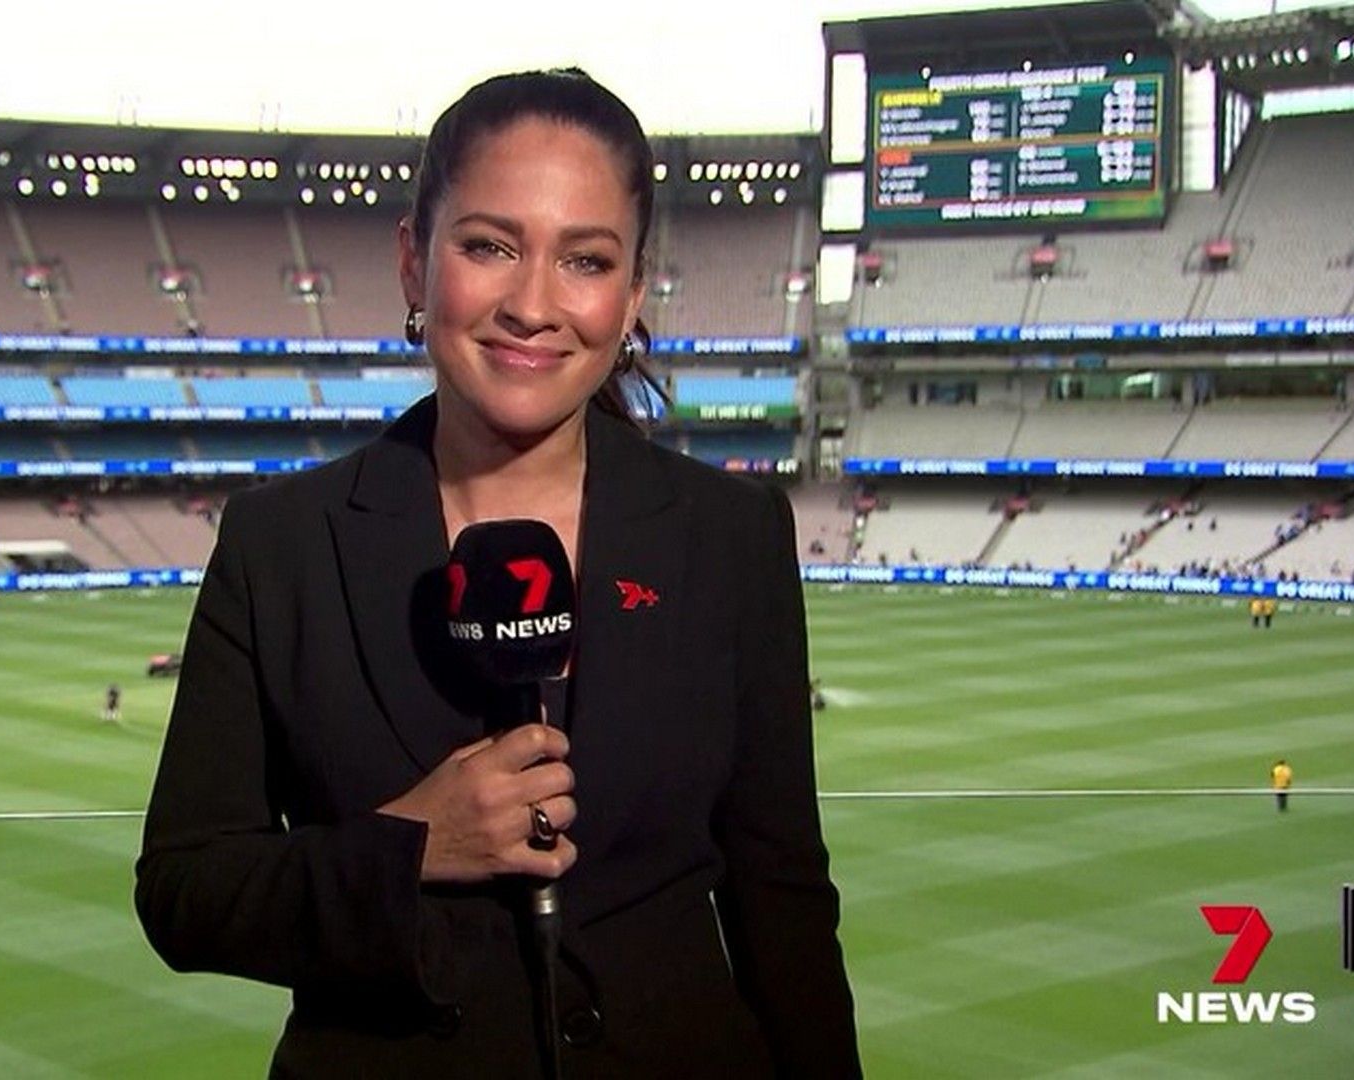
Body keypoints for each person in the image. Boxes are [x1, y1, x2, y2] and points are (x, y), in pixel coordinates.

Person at [135, 69, 859, 1079]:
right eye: (489, 247)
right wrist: (409, 847)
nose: (532, 305)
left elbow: (782, 897)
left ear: (632, 295)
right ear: (413, 262)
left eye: (585, 260)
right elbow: (184, 892)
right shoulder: (280, 544)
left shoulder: (732, 536)